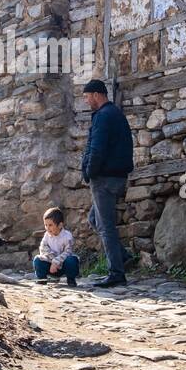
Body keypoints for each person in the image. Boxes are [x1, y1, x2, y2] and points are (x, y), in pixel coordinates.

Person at [80, 79, 133, 287]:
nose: (86, 101)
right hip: (116, 176)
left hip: (104, 178)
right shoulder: (116, 114)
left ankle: (116, 272)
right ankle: (124, 257)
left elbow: (97, 148)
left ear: (96, 94)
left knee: (106, 226)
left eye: (86, 97)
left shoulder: (103, 116)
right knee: (95, 219)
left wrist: (89, 172)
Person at [33, 207, 79, 286]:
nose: (47, 228)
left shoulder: (67, 236)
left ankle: (71, 279)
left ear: (60, 225)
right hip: (50, 265)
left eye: (50, 225)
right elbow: (43, 248)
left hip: (63, 266)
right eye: (45, 225)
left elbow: (68, 252)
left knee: (72, 260)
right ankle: (42, 279)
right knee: (37, 259)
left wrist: (57, 262)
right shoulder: (46, 235)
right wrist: (53, 261)